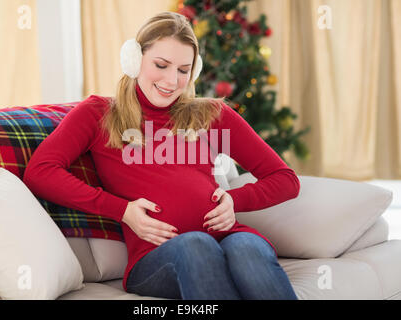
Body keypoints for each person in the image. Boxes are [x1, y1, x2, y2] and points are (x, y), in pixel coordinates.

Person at [23, 11, 299, 300]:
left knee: (248, 249)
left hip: (228, 237)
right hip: (156, 259)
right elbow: (41, 171)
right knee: (196, 245)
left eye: (183, 70)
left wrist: (236, 199)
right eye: (161, 65)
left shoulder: (213, 115)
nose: (172, 80)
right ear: (134, 59)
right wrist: (122, 210)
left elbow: (286, 179)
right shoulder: (98, 114)